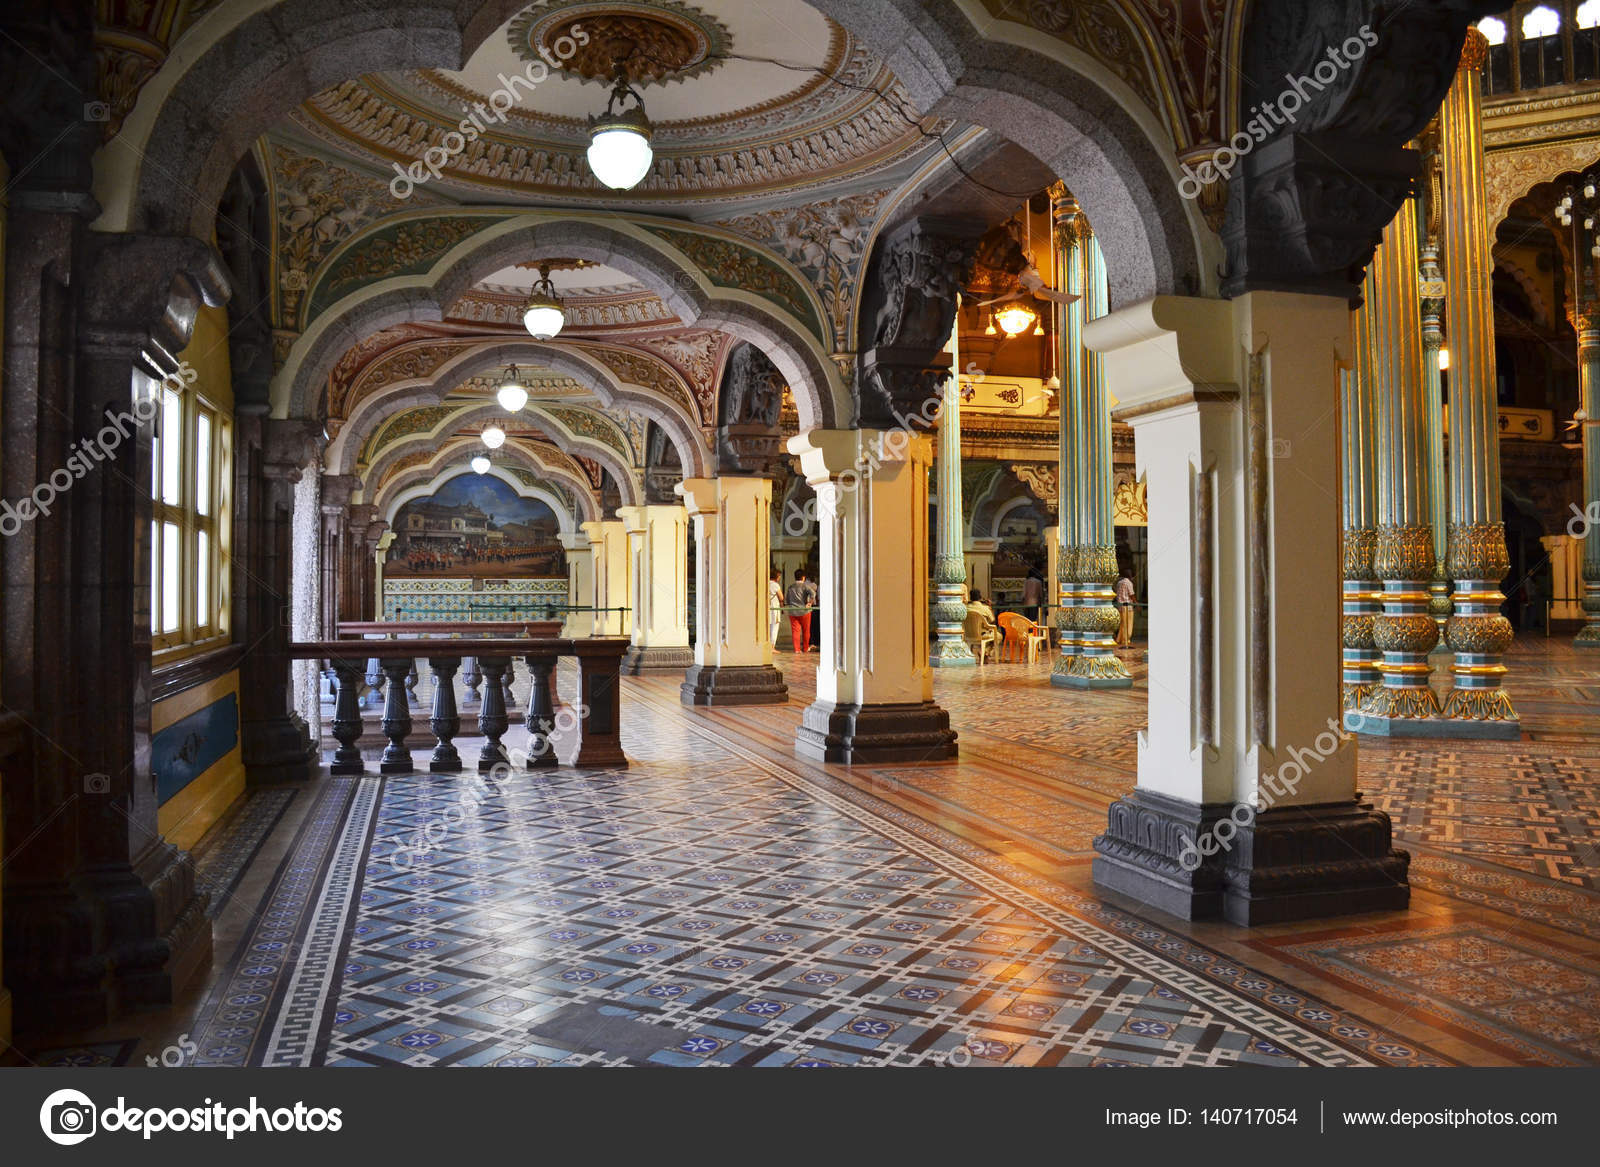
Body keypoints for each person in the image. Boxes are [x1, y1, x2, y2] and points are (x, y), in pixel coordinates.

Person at [785, 569, 817, 653]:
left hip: (793, 611)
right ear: (803, 577)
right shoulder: (805, 586)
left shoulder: (791, 587)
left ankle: (797, 649)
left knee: (795, 631)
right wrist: (810, 602)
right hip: (804, 611)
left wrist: (790, 604)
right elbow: (813, 593)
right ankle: (805, 648)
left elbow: (787, 599)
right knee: (806, 630)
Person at [963, 587, 1000, 661]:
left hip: (968, 634)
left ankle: (985, 653)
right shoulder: (985, 608)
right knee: (998, 636)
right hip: (982, 634)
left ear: (971, 597)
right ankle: (985, 652)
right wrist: (989, 607)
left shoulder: (965, 608)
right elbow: (993, 621)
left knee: (990, 633)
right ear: (980, 597)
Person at [1115, 568, 1136, 648]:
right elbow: (1131, 594)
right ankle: (1126, 639)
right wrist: (1136, 603)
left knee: (1122, 624)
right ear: (1129, 575)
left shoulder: (1119, 583)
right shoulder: (1129, 583)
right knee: (1128, 624)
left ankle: (1119, 639)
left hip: (1120, 606)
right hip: (1128, 607)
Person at [768, 569, 785, 647]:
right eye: (779, 576)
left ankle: (768, 645)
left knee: (768, 627)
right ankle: (772, 646)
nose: (779, 578)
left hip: (767, 607)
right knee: (774, 627)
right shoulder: (775, 585)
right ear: (776, 576)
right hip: (774, 608)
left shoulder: (766, 583)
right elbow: (781, 597)